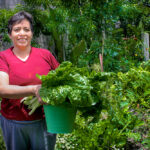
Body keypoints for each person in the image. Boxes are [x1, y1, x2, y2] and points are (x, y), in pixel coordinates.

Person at [0, 11, 59, 150]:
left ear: (32, 33)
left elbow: (61, 81)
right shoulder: (3, 57)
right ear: (10, 34)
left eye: (26, 29)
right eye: (17, 30)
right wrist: (34, 89)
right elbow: (2, 89)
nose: (22, 33)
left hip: (44, 121)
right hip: (13, 122)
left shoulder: (46, 55)